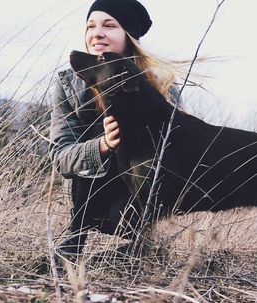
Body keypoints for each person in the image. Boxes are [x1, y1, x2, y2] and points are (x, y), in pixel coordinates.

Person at [49, 0, 182, 262]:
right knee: (94, 144)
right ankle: (74, 240)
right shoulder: (68, 84)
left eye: (109, 26)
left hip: (138, 201)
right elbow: (60, 157)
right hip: (87, 197)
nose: (96, 33)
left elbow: (175, 154)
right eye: (90, 26)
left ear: (129, 36)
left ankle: (141, 247)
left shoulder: (161, 83)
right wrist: (104, 144)